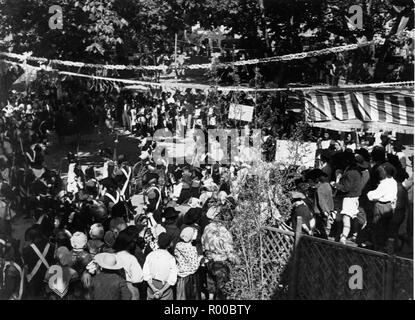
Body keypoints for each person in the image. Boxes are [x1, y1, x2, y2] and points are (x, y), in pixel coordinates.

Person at [331, 152, 364, 245]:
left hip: (349, 197)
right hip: (355, 196)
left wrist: (335, 184)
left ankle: (343, 237)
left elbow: (345, 188)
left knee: (346, 217)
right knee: (352, 216)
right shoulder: (356, 170)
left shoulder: (350, 173)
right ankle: (354, 234)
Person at [367, 164, 398, 251]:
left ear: (386, 172)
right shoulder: (393, 182)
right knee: (386, 227)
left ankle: (379, 247)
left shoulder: (385, 183)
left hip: (381, 205)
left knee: (378, 227)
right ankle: (384, 246)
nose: (380, 173)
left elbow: (375, 194)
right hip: (389, 206)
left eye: (381, 171)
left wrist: (369, 194)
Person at [142, 232, 177, 300]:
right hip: (165, 287)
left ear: (157, 243)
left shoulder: (150, 255)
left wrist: (153, 288)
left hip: (151, 284)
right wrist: (162, 290)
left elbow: (146, 274)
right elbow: (172, 278)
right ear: (169, 244)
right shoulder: (171, 258)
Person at [113, 229, 144, 300]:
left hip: (116, 288)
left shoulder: (115, 255)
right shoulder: (131, 258)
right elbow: (137, 279)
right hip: (130, 289)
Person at [174, 226, 202, 300]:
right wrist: (199, 259)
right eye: (194, 234)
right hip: (190, 278)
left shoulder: (178, 245)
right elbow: (194, 267)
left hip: (180, 275)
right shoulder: (191, 249)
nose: (196, 235)